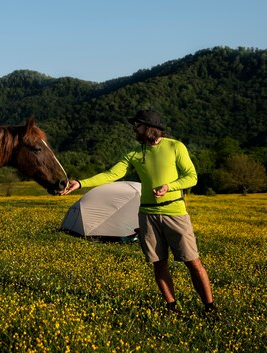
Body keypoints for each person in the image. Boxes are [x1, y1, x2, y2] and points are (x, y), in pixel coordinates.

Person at [62, 110, 214, 313]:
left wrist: (169, 187)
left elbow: (191, 177)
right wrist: (81, 183)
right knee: (158, 263)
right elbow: (111, 174)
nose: (134, 129)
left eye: (138, 125)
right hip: (147, 215)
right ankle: (171, 307)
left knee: (193, 262)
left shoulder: (175, 147)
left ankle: (210, 307)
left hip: (175, 213)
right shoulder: (134, 152)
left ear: (150, 128)